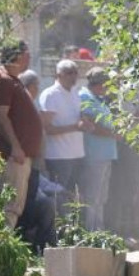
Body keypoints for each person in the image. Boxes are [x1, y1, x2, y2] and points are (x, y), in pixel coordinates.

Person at [0, 41, 43, 229]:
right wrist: (16, 147)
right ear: (17, 55)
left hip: (17, 157)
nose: (29, 57)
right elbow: (1, 115)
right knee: (7, 208)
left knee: (12, 209)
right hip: (10, 157)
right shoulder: (3, 79)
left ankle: (2, 246)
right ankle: (0, 248)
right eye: (27, 53)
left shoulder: (12, 80)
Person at [38, 59, 90, 206]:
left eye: (75, 73)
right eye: (69, 73)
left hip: (77, 155)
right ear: (58, 74)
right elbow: (46, 128)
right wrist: (75, 127)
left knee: (76, 198)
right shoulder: (50, 95)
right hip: (58, 157)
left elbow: (78, 118)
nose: (73, 76)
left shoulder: (75, 93)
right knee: (60, 200)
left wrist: (86, 123)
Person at [78, 67, 119, 231]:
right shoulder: (85, 96)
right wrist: (113, 134)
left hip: (105, 154)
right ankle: (91, 232)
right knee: (93, 196)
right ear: (99, 83)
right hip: (95, 155)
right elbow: (91, 125)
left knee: (101, 197)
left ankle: (98, 231)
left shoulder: (98, 98)